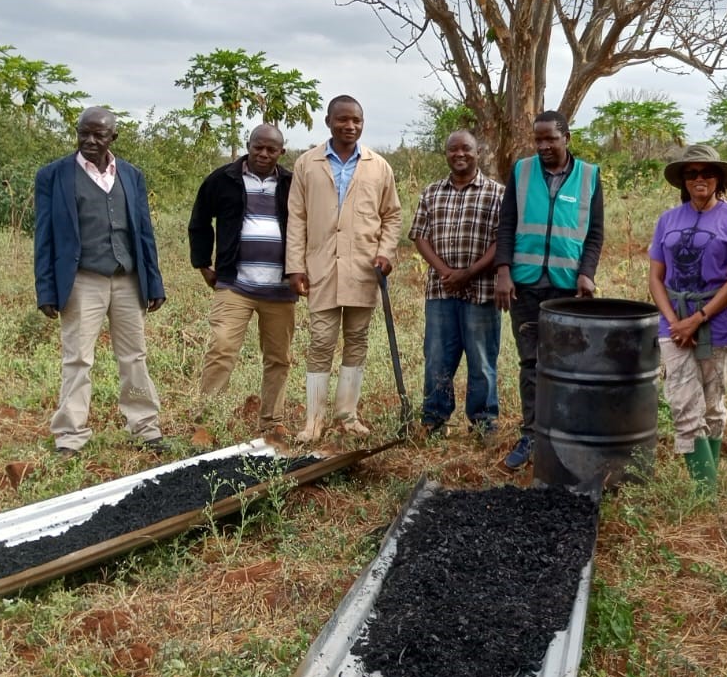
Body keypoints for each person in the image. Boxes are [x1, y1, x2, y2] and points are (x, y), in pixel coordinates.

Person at [33, 106, 165, 457]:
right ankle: (70, 436)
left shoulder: (131, 175)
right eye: (83, 133)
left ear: (113, 138)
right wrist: (46, 289)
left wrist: (153, 282)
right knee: (77, 358)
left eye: (99, 135)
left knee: (134, 357)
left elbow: (144, 232)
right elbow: (43, 236)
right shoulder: (54, 176)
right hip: (82, 280)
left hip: (127, 279)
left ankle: (145, 427)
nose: (90, 141)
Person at [286, 95, 403, 441]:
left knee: (357, 340)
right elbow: (297, 218)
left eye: (356, 120)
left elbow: (392, 216)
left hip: (364, 269)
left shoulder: (378, 166)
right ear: (328, 122)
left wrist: (386, 253)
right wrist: (295, 266)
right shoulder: (307, 164)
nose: (350, 126)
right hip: (320, 267)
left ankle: (347, 415)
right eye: (343, 120)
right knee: (321, 341)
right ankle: (313, 422)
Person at [494, 110, 605, 471]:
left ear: (566, 138)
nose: (543, 145)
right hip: (525, 286)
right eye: (538, 139)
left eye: (550, 139)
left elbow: (595, 233)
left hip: (567, 290)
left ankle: (564, 437)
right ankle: (531, 434)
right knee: (531, 363)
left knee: (567, 366)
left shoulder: (589, 176)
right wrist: (503, 270)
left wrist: (586, 273)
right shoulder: (522, 172)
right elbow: (506, 224)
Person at [647, 144, 727, 491]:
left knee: (711, 406)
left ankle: (708, 491)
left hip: (717, 324)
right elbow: (655, 277)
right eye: (691, 173)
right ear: (683, 180)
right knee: (682, 404)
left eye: (706, 172)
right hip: (672, 322)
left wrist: (698, 318)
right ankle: (705, 489)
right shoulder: (668, 220)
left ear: (718, 178)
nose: (699, 179)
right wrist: (674, 321)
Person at [187, 123, 296, 433]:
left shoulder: (292, 183)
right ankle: (205, 424)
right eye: (257, 147)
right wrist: (203, 264)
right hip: (235, 283)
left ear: (281, 152)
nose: (263, 153)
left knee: (279, 357)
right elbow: (199, 221)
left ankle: (272, 422)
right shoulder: (223, 179)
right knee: (221, 348)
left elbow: (309, 226)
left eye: (270, 149)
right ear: (249, 145)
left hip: (280, 288)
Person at [409, 129, 506, 436]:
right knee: (437, 356)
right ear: (446, 154)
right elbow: (420, 236)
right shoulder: (432, 192)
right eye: (453, 150)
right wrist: (445, 272)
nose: (459, 154)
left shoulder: (497, 193)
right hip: (440, 290)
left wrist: (468, 273)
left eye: (466, 149)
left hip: (481, 291)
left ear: (478, 153)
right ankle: (434, 419)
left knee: (482, 360)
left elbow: (501, 241)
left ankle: (483, 422)